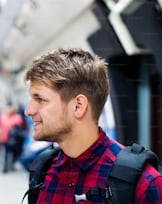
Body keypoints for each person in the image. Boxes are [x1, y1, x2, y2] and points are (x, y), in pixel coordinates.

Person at [23, 48, 162, 203]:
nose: (29, 111)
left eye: (40, 99)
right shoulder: (42, 170)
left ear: (78, 106)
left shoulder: (143, 184)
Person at [0, 102, 23, 172]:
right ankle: (5, 167)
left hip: (15, 139)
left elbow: (19, 127)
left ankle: (12, 165)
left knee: (14, 153)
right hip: (4, 138)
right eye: (7, 108)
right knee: (5, 153)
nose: (8, 110)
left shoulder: (17, 117)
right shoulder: (2, 117)